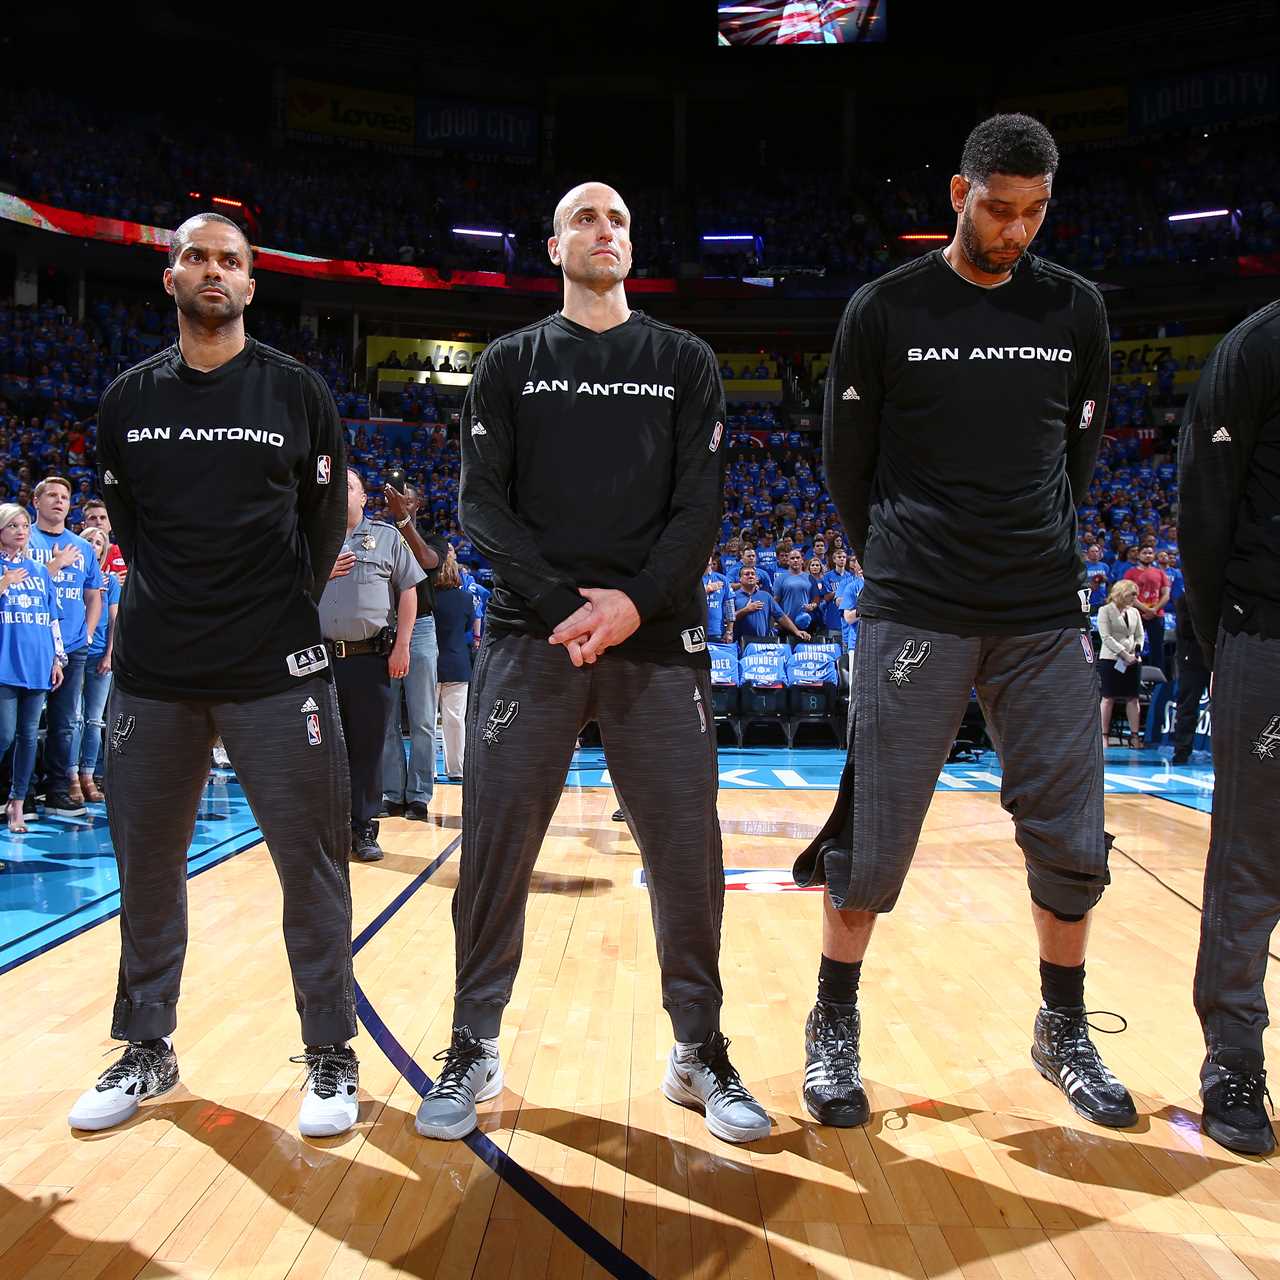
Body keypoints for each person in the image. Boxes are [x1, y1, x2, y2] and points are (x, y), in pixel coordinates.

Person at [794, 114, 1136, 1133]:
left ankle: (1061, 1027)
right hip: (914, 602)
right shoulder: (883, 308)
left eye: (1033, 212)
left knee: (1072, 838)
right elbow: (843, 465)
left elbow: (1075, 456)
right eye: (997, 209)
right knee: (872, 835)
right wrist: (897, 554)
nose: (1014, 230)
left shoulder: (1072, 308)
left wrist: (1034, 546)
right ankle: (832, 1021)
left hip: (1038, 607)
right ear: (956, 192)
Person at [415, 180, 770, 1146]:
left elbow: (699, 507)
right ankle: (472, 1040)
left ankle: (700, 1049)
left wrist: (631, 604)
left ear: (631, 243)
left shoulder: (684, 361)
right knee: (495, 845)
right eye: (585, 217)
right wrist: (572, 606)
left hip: (655, 640)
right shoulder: (509, 363)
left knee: (686, 853)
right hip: (536, 637)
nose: (603, 230)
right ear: (554, 243)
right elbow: (482, 507)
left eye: (618, 217)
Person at [73, 211, 359, 1139]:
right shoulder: (126, 401)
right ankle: (146, 1047)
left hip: (277, 671)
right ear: (170, 278)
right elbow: (132, 528)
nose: (213, 271)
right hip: (155, 675)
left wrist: (271, 612)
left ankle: (329, 1055)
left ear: (249, 283)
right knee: (147, 869)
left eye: (229, 261)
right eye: (195, 256)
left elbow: (321, 529)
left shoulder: (297, 393)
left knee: (310, 870)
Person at [1178, 300, 1280, 1156]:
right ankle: (1234, 1061)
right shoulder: (1255, 346)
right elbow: (1205, 512)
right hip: (1269, 633)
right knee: (1251, 858)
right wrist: (1226, 640)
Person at [320, 468, 424, 862]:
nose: (339, 492)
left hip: (368, 659)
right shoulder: (315, 538)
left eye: (348, 486)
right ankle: (329, 829)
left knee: (366, 747)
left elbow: (410, 590)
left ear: (364, 498)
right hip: (320, 663)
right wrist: (317, 572)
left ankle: (363, 828)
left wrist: (402, 646)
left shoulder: (385, 537)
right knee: (324, 749)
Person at [27, 475, 103, 815]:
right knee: (24, 725)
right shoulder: (22, 537)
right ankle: (22, 790)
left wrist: (86, 634)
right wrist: (52, 566)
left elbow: (93, 595)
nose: (59, 501)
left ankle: (58, 788)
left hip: (73, 646)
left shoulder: (84, 547)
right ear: (36, 502)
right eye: (52, 495)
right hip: (31, 643)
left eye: (64, 496)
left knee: (65, 721)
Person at [379, 483, 444, 821]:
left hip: (420, 629)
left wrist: (403, 520)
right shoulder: (379, 536)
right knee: (386, 720)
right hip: (382, 630)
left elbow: (427, 561)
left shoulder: (434, 537)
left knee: (421, 719)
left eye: (406, 494)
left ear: (417, 503)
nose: (399, 498)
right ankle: (392, 793)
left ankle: (418, 795)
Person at [0, 502, 64, 833]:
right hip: (5, 663)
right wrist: (4, 582)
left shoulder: (40, 571)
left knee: (27, 738)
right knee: (5, 734)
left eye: (25, 525)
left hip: (39, 662)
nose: (22, 531)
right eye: (13, 526)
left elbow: (52, 616)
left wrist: (58, 657)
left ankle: (17, 803)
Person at [77, 524, 118, 801]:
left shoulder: (111, 581)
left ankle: (88, 776)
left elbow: (116, 619)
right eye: (89, 540)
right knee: (73, 719)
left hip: (100, 655)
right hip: (71, 654)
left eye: (99, 541)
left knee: (93, 720)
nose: (94, 545)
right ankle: (69, 777)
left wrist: (110, 654)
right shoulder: (70, 575)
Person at [432, 546, 475, 780]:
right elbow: (468, 628)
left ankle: (429, 770)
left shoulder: (425, 598)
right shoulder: (466, 599)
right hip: (458, 663)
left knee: (427, 722)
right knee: (456, 721)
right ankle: (456, 769)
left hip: (429, 664)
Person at [1096, 579, 1144, 748]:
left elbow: (1139, 635)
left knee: (1133, 698)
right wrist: (1123, 654)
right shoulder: (1105, 611)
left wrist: (1136, 653)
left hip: (1132, 661)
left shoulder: (1134, 612)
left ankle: (1135, 736)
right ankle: (1103, 736)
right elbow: (1106, 637)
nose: (1135, 598)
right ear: (1122, 593)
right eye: (1132, 594)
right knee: (1108, 698)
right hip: (1111, 659)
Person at [1170, 601, 1210, 765]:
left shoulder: (1219, 597)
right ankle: (1182, 750)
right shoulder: (1184, 601)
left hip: (1216, 660)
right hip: (1192, 660)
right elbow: (1186, 629)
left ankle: (1227, 751)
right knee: (1187, 706)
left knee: (1224, 708)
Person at [1123, 545, 1171, 675]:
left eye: (1150, 553)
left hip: (1157, 614)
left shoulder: (1160, 573)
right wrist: (1146, 609)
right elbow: (1128, 595)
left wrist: (1154, 609)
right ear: (1138, 555)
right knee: (1133, 646)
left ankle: (1158, 679)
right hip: (1136, 614)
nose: (1148, 555)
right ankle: (1131, 675)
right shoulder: (1130, 573)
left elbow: (1166, 594)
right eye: (1145, 553)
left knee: (1157, 648)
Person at [733, 565, 809, 645]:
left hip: (763, 643)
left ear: (757, 579)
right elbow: (728, 620)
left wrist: (796, 631)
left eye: (753, 574)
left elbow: (781, 616)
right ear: (740, 579)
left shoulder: (766, 596)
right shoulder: (733, 596)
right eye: (747, 574)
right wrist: (746, 610)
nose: (750, 576)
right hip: (741, 643)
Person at [82, 498, 128, 577]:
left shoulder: (125, 552)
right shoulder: (75, 554)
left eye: (103, 518)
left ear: (110, 525)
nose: (99, 522)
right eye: (93, 518)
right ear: (84, 525)